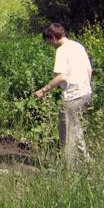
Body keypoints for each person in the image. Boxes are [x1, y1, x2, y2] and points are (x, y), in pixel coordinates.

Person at [33, 23, 93, 164]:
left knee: (66, 133)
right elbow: (89, 70)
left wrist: (43, 90)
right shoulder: (78, 46)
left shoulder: (61, 50)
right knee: (76, 128)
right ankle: (86, 161)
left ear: (53, 37)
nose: (49, 45)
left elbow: (61, 77)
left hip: (72, 96)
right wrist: (84, 85)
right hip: (85, 93)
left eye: (49, 42)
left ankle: (68, 168)